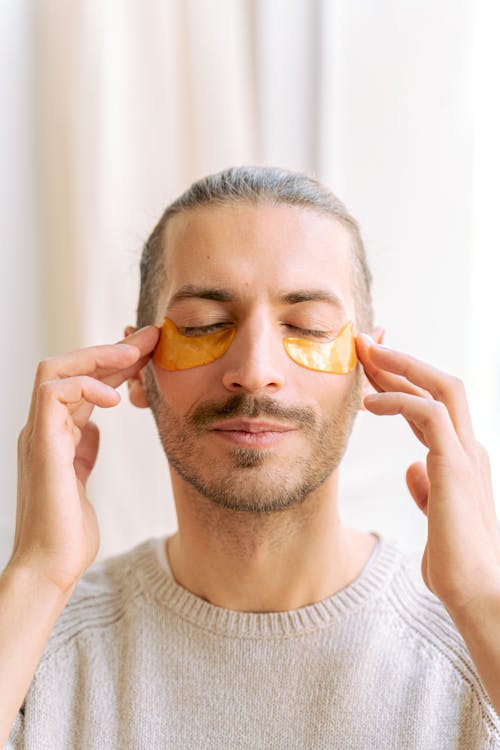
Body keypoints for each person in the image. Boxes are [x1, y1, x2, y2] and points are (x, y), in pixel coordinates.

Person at [1, 166, 500, 749]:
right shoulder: (34, 647)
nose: (256, 372)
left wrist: (479, 597)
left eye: (308, 328)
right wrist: (37, 576)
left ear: (370, 370)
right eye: (203, 325)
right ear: (137, 370)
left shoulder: (472, 650)